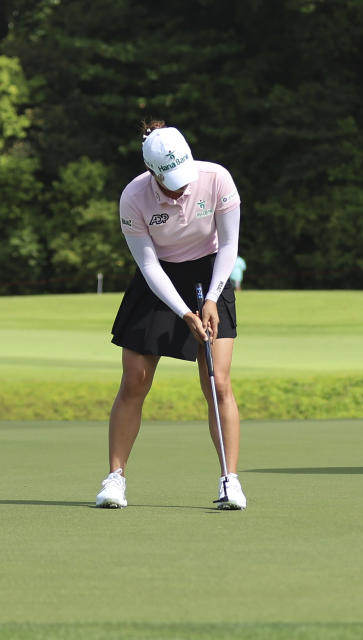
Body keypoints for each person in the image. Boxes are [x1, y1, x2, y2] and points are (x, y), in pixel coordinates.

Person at [96, 120, 246, 509]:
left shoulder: (216, 179)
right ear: (152, 172)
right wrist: (183, 312)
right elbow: (148, 267)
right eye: (171, 180)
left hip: (210, 271)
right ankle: (115, 479)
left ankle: (230, 480)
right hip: (159, 278)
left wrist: (212, 298)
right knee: (135, 380)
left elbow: (229, 244)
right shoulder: (134, 197)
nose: (181, 186)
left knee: (219, 382)